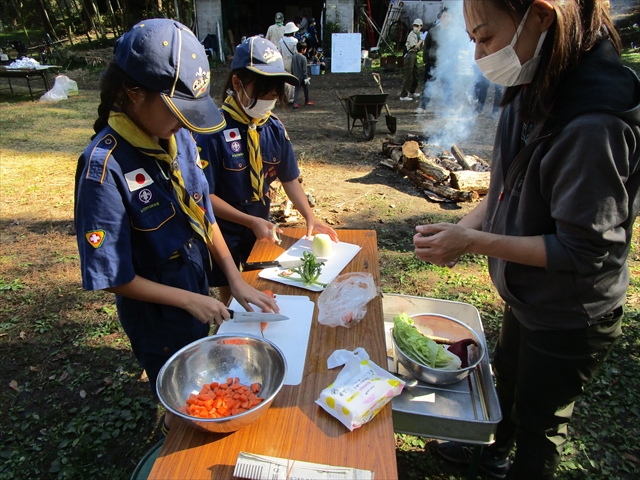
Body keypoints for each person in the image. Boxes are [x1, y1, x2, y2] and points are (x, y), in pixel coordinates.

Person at [414, 1, 640, 478]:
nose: (478, 55)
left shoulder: (594, 121)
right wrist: (468, 227)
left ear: (540, 16)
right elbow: (503, 187)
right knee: (509, 383)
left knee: (542, 421)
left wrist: (472, 243)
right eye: (472, 39)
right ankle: (493, 451)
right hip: (527, 295)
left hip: (569, 313)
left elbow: (580, 250)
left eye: (485, 38)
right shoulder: (534, 75)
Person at [74, 19, 279, 436]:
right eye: (177, 112)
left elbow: (202, 209)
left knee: (203, 366)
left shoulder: (177, 138)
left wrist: (233, 279)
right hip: (156, 311)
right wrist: (188, 301)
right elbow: (114, 276)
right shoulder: (104, 168)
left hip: (193, 280)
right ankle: (172, 427)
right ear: (134, 93)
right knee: (181, 394)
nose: (185, 124)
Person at [194, 36, 339, 304]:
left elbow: (289, 178)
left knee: (259, 279)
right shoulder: (211, 132)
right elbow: (205, 196)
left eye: (274, 95)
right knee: (229, 286)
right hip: (221, 227)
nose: (269, 100)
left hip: (259, 220)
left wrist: (310, 216)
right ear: (237, 83)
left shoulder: (273, 128)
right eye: (263, 93)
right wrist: (248, 221)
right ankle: (228, 324)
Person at [415, 8, 454, 113]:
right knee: (428, 86)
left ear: (451, 19)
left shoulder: (453, 33)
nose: (446, 18)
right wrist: (426, 60)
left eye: (448, 16)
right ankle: (423, 107)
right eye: (444, 16)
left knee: (448, 86)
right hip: (432, 62)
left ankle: (449, 106)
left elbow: (455, 49)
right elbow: (426, 46)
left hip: (446, 64)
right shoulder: (433, 31)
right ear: (440, 18)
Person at [399, 18, 423, 101]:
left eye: (417, 26)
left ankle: (411, 91)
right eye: (415, 26)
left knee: (416, 75)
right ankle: (403, 95)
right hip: (410, 54)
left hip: (414, 55)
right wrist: (421, 40)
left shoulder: (418, 35)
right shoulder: (411, 35)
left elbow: (420, 48)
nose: (416, 27)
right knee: (408, 75)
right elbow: (415, 46)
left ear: (421, 27)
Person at [278, 22, 299, 104]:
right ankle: (291, 98)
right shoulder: (295, 41)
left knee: (284, 80)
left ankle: (284, 96)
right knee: (292, 79)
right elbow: (295, 52)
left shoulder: (281, 40)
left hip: (283, 61)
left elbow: (279, 52)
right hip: (292, 61)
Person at [291, 41, 314, 109]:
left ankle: (295, 103)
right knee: (306, 89)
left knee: (296, 90)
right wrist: (306, 78)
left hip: (296, 76)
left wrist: (292, 74)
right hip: (303, 78)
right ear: (303, 49)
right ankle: (307, 100)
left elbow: (292, 66)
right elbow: (304, 69)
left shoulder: (293, 56)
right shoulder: (303, 58)